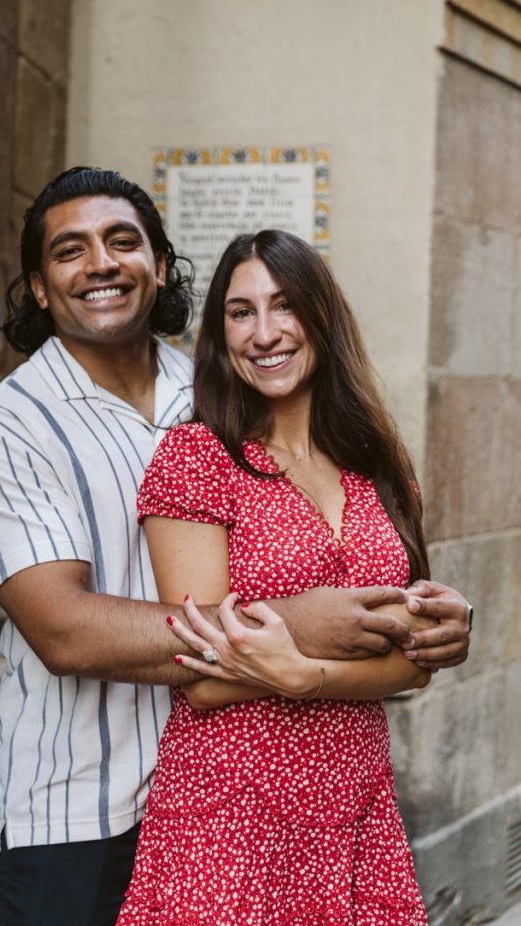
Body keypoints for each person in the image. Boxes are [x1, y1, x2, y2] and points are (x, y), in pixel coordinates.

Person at [0, 169, 471, 926]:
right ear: (37, 286)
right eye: (71, 250)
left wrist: (439, 618)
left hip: (253, 790)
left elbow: (380, 591)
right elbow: (63, 632)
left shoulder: (215, 388)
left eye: (122, 241)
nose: (100, 263)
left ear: (160, 267)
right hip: (77, 810)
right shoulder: (5, 432)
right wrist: (299, 634)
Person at [116, 230, 457, 925]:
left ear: (321, 316)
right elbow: (200, 673)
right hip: (232, 817)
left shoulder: (377, 462)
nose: (264, 333)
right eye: (240, 312)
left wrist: (307, 675)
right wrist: (343, 654)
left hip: (358, 809)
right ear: (220, 332)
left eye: (284, 306)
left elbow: (413, 661)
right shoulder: (196, 458)